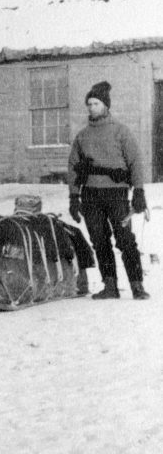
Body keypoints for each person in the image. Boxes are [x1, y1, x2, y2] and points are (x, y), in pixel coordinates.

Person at [67, 81, 150, 300]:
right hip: (91, 195)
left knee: (124, 239)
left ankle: (137, 285)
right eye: (89, 104)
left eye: (95, 103)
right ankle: (110, 286)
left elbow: (135, 163)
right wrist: (74, 197)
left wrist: (139, 191)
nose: (91, 107)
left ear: (106, 105)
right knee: (99, 240)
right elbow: (74, 168)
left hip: (117, 195)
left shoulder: (121, 132)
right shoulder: (82, 136)